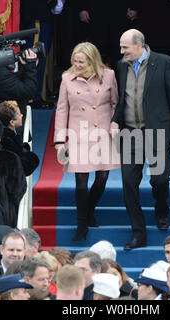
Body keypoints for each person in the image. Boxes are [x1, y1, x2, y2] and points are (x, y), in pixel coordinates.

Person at [111, 29, 170, 249]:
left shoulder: (163, 62)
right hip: (130, 134)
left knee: (160, 180)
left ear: (139, 45)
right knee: (128, 184)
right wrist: (115, 120)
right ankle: (138, 233)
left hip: (156, 132)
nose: (122, 51)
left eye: (125, 47)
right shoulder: (122, 65)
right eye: (121, 47)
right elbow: (122, 98)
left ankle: (161, 209)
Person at [54, 41, 120, 241]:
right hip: (79, 135)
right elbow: (61, 109)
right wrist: (59, 140)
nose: (78, 65)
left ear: (92, 60)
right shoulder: (67, 78)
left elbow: (115, 102)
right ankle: (81, 224)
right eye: (75, 61)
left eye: (81, 62)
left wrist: (115, 124)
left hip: (102, 133)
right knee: (81, 183)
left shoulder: (108, 75)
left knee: (102, 178)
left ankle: (90, 209)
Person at [0, 101, 40, 176]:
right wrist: (31, 157)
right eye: (19, 114)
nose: (22, 115)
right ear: (12, 122)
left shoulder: (3, 135)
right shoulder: (7, 141)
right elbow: (23, 168)